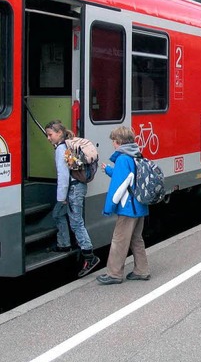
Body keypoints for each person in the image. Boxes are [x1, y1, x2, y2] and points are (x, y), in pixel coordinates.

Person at [44, 120, 100, 278]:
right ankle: (64, 244)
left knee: (76, 223)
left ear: (59, 133)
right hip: (76, 187)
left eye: (50, 135)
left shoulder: (61, 149)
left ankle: (90, 257)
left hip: (72, 190)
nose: (48, 138)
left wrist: (62, 198)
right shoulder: (66, 146)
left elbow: (63, 176)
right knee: (58, 214)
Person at [97, 126, 150, 285]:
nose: (113, 144)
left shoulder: (122, 159)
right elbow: (130, 177)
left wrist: (108, 208)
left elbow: (118, 186)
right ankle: (142, 270)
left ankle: (114, 274)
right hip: (140, 206)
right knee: (136, 239)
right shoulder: (136, 155)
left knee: (119, 240)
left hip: (128, 208)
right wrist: (109, 170)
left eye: (113, 141)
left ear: (119, 142)